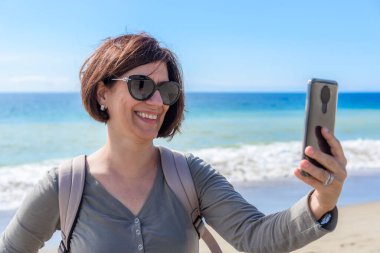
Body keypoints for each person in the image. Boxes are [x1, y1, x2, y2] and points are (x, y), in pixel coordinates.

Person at [0, 33, 347, 253]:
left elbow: (255, 237)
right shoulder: (64, 187)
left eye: (166, 90)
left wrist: (321, 201)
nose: (155, 102)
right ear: (102, 92)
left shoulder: (190, 176)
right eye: (140, 86)